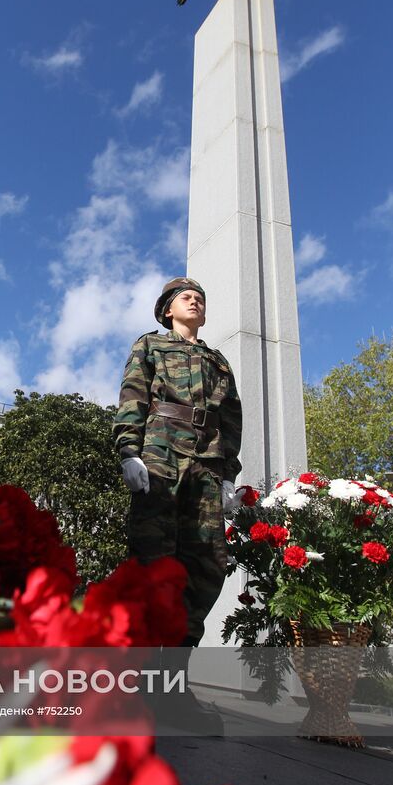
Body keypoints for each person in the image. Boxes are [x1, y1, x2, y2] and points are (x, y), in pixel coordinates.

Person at [113, 277, 242, 647]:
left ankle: (175, 676)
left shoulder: (218, 361)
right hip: (161, 455)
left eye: (200, 297)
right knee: (153, 557)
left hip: (208, 463)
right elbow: (133, 396)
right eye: (186, 297)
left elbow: (232, 419)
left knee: (207, 562)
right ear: (168, 309)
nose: (194, 301)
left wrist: (228, 476)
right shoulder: (151, 345)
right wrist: (129, 451)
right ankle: (141, 677)